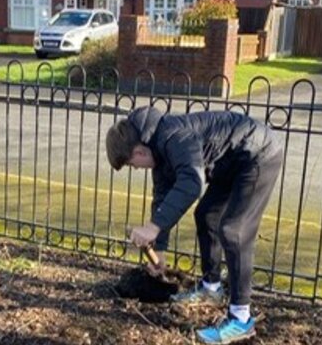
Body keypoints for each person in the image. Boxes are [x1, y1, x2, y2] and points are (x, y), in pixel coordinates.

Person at [106, 106, 282, 344]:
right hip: (230, 163)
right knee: (207, 215)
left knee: (234, 231)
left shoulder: (173, 136)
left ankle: (241, 319)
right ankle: (211, 288)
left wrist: (153, 227)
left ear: (138, 152)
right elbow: (162, 197)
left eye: (132, 164)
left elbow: (192, 183)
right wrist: (159, 248)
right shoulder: (158, 149)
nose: (136, 168)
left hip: (257, 155)